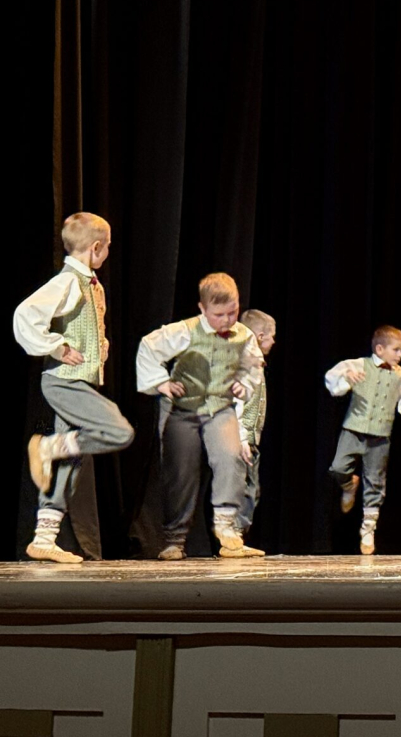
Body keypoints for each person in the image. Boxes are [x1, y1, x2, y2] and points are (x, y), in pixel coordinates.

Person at [13, 212, 134, 564]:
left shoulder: (91, 285)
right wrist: (56, 347)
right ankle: (47, 446)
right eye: (107, 247)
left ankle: (43, 538)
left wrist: (101, 345)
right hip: (63, 382)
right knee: (119, 431)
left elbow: (86, 326)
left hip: (76, 381)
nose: (108, 252)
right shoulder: (68, 281)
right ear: (95, 248)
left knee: (71, 461)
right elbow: (25, 315)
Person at [136, 272, 262, 560]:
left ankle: (227, 529)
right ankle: (174, 540)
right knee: (180, 472)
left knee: (231, 458)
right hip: (184, 410)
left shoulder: (244, 336)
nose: (227, 320)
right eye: (219, 315)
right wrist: (161, 383)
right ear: (202, 309)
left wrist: (243, 383)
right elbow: (149, 347)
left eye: (232, 312)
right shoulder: (184, 331)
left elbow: (253, 366)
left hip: (220, 407)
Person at [325, 325, 401, 556]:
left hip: (380, 435)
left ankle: (368, 529)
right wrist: (347, 377)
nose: (400, 355)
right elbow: (333, 381)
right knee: (338, 467)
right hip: (354, 429)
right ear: (380, 349)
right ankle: (348, 485)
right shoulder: (359, 365)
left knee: (375, 481)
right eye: (396, 350)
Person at [233, 308, 277, 557]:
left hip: (249, 438)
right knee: (245, 488)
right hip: (242, 439)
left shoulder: (255, 364)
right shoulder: (246, 364)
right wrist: (241, 438)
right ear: (260, 336)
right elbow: (238, 403)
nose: (274, 342)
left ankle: (236, 537)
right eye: (272, 336)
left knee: (250, 488)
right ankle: (234, 536)